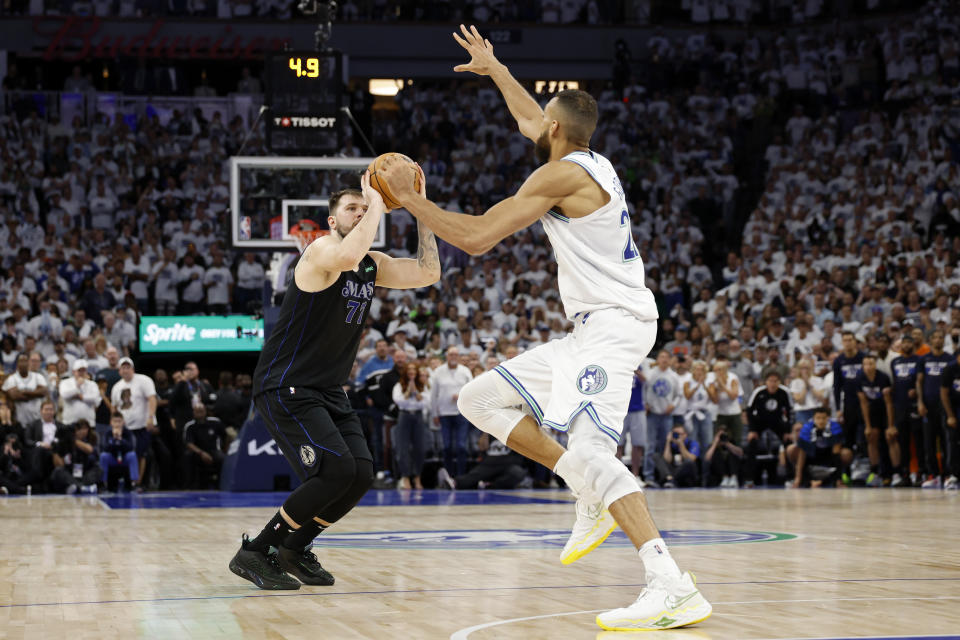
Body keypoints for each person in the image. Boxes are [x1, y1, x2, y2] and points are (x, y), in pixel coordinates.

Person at [378, 25, 710, 630]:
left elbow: (477, 238)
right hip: (596, 326)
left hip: (612, 326)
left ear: (557, 132)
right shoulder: (586, 158)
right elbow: (533, 120)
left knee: (592, 450)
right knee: (481, 397)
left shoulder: (560, 177)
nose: (534, 128)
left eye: (543, 124)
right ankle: (584, 488)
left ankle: (671, 583)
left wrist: (410, 201)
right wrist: (497, 68)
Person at [230, 174, 441, 591]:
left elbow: (427, 272)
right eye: (353, 209)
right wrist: (378, 202)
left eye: (364, 209)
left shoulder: (369, 263)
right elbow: (347, 255)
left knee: (359, 473)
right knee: (334, 469)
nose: (361, 213)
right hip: (286, 384)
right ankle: (256, 551)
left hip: (326, 389)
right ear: (331, 220)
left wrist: (421, 209)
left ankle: (294, 548)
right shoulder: (322, 250)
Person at [110, 357, 159, 492]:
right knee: (125, 455)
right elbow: (114, 408)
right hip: (124, 427)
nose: (125, 370)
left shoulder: (143, 380)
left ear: (133, 369)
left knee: (140, 454)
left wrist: (151, 417)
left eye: (128, 367)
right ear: (119, 371)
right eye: (123, 368)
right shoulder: (116, 387)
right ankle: (127, 481)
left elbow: (152, 399)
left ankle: (137, 482)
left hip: (141, 425)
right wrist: (114, 424)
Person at [917, 330, 953, 489]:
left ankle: (947, 474)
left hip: (945, 406)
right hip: (928, 406)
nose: (938, 340)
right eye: (935, 337)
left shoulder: (950, 359)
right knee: (928, 442)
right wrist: (920, 402)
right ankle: (933, 475)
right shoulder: (924, 359)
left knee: (947, 442)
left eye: (940, 337)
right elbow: (919, 382)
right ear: (930, 340)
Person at [744, 371, 794, 487]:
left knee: (788, 443)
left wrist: (788, 431)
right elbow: (749, 411)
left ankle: (791, 477)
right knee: (752, 443)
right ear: (766, 382)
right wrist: (752, 430)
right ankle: (749, 478)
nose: (773, 384)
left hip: (777, 421)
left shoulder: (784, 392)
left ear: (779, 382)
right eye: (770, 381)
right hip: (760, 421)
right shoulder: (759, 392)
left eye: (775, 381)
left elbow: (789, 412)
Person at [430, 346, 473, 476]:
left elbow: (471, 391)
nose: (453, 357)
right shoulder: (438, 372)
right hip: (444, 413)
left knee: (461, 446)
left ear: (459, 356)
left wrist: (461, 396)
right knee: (447, 447)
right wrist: (434, 414)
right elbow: (433, 395)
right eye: (451, 354)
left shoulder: (465, 371)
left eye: (455, 354)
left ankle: (461, 476)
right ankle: (448, 475)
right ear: (446, 356)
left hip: (462, 413)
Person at [856, 354, 897, 487]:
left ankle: (896, 472)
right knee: (871, 437)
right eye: (865, 364)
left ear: (875, 365)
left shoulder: (883, 378)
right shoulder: (860, 378)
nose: (868, 367)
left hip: (886, 411)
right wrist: (867, 425)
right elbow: (863, 403)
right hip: (872, 411)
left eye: (871, 364)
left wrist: (890, 425)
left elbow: (889, 403)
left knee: (890, 438)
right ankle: (874, 472)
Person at [436, 431, 528, 490]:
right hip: (490, 463)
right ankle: (454, 482)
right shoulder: (491, 429)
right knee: (475, 475)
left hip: (508, 463)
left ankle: (489, 485)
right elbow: (482, 447)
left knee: (517, 473)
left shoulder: (517, 431)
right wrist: (486, 432)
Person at [890, 335, 924, 485]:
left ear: (913, 344)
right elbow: (895, 382)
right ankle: (905, 473)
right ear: (901, 345)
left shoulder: (919, 360)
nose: (906, 345)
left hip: (915, 406)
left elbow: (922, 381)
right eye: (904, 343)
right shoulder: (895, 362)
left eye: (909, 342)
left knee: (918, 440)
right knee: (902, 441)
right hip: (900, 406)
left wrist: (917, 393)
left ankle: (921, 472)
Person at [644, 350, 681, 486]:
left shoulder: (674, 376)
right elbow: (644, 390)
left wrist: (673, 405)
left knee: (664, 447)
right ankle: (649, 477)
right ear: (657, 359)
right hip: (652, 415)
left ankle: (664, 477)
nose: (664, 359)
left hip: (667, 415)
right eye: (661, 357)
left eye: (667, 357)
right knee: (650, 446)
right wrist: (645, 404)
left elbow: (679, 395)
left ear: (670, 360)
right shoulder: (650, 374)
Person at [787, 407, 847, 488]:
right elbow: (802, 455)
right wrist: (798, 479)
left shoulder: (835, 427)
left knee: (846, 454)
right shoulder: (807, 429)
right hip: (811, 457)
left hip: (828, 457)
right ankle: (805, 480)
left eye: (823, 418)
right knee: (792, 450)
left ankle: (837, 480)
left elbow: (836, 453)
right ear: (813, 419)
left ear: (828, 418)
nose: (821, 421)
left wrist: (838, 479)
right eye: (818, 418)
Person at [391, 362, 427, 490]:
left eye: (414, 369)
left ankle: (417, 477)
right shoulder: (398, 385)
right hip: (404, 416)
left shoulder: (423, 385)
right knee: (402, 448)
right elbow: (398, 401)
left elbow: (425, 403)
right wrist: (408, 391)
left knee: (420, 448)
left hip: (417, 416)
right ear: (406, 372)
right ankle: (405, 476)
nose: (411, 371)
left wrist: (415, 391)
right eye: (409, 369)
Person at [833, 331, 865, 458]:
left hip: (864, 402)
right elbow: (836, 386)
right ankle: (848, 468)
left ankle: (868, 464)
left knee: (864, 434)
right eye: (845, 340)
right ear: (842, 343)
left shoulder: (863, 358)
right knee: (849, 435)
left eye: (850, 340)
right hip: (849, 402)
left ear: (855, 342)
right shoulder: (838, 361)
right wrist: (838, 409)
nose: (848, 343)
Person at [182, 404, 227, 489]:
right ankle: (189, 485)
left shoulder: (215, 422)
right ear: (193, 412)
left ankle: (221, 484)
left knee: (222, 458)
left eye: (201, 411)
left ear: (205, 411)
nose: (199, 413)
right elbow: (189, 443)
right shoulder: (190, 425)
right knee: (187, 456)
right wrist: (201, 453)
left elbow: (225, 436)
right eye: (197, 411)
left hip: (214, 450)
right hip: (197, 452)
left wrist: (226, 450)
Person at [49, 419, 100, 495]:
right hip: (70, 473)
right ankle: (81, 487)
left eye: (85, 429)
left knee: (98, 469)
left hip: (85, 472)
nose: (82, 431)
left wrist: (74, 440)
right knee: (58, 471)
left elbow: (89, 450)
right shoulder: (65, 442)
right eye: (79, 429)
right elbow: (60, 465)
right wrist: (55, 451)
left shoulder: (91, 438)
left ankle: (77, 487)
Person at [616, 366, 646, 481]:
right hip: (621, 409)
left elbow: (646, 381)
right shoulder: (619, 364)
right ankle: (617, 476)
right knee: (617, 444)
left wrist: (636, 370)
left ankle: (635, 476)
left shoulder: (640, 365)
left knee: (637, 444)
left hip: (637, 409)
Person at [2, 353, 48, 427]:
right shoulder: (12, 378)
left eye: (25, 361)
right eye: (21, 361)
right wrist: (35, 394)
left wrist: (23, 392)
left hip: (37, 419)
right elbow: (14, 396)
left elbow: (44, 391)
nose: (23, 363)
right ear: (17, 364)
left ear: (29, 362)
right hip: (19, 420)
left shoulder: (38, 376)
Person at [100, 412, 138, 491]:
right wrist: (114, 439)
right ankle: (103, 483)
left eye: (119, 421)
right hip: (113, 458)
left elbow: (130, 447)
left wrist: (121, 439)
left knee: (132, 455)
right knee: (103, 456)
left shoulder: (127, 433)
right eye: (115, 421)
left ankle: (134, 482)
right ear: (111, 422)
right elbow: (105, 448)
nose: (117, 424)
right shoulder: (108, 433)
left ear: (123, 422)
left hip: (124, 458)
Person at [654, 423, 700, 488]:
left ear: (685, 434)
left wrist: (681, 444)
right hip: (673, 471)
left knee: (689, 462)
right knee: (656, 456)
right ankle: (670, 479)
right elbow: (667, 460)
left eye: (680, 434)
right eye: (675, 434)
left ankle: (671, 479)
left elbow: (691, 459)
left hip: (686, 475)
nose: (678, 436)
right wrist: (668, 442)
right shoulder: (670, 444)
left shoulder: (692, 443)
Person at [939, 350, 960, 490]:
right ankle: (954, 475)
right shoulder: (950, 369)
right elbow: (944, 394)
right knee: (953, 442)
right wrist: (950, 416)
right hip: (954, 409)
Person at [59, 359, 101, 427]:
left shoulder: (92, 384)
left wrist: (80, 397)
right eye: (79, 370)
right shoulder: (65, 382)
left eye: (84, 370)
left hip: (88, 423)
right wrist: (77, 386)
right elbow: (64, 395)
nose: (82, 373)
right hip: (70, 422)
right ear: (73, 371)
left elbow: (95, 399)